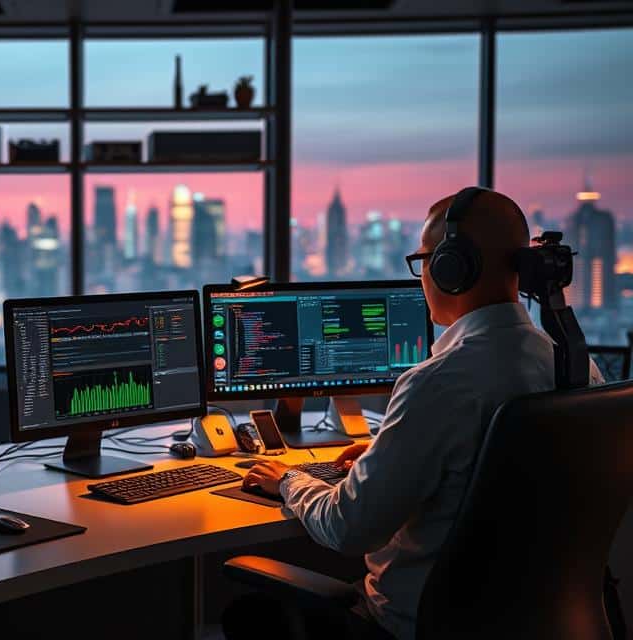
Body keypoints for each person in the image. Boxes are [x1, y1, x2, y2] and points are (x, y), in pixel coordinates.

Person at [224, 188, 602, 640]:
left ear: (450, 268)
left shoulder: (438, 383)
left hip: (412, 626)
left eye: (424, 260)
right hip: (544, 622)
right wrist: (389, 453)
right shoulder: (578, 369)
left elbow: (347, 529)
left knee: (250, 615)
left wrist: (289, 480)